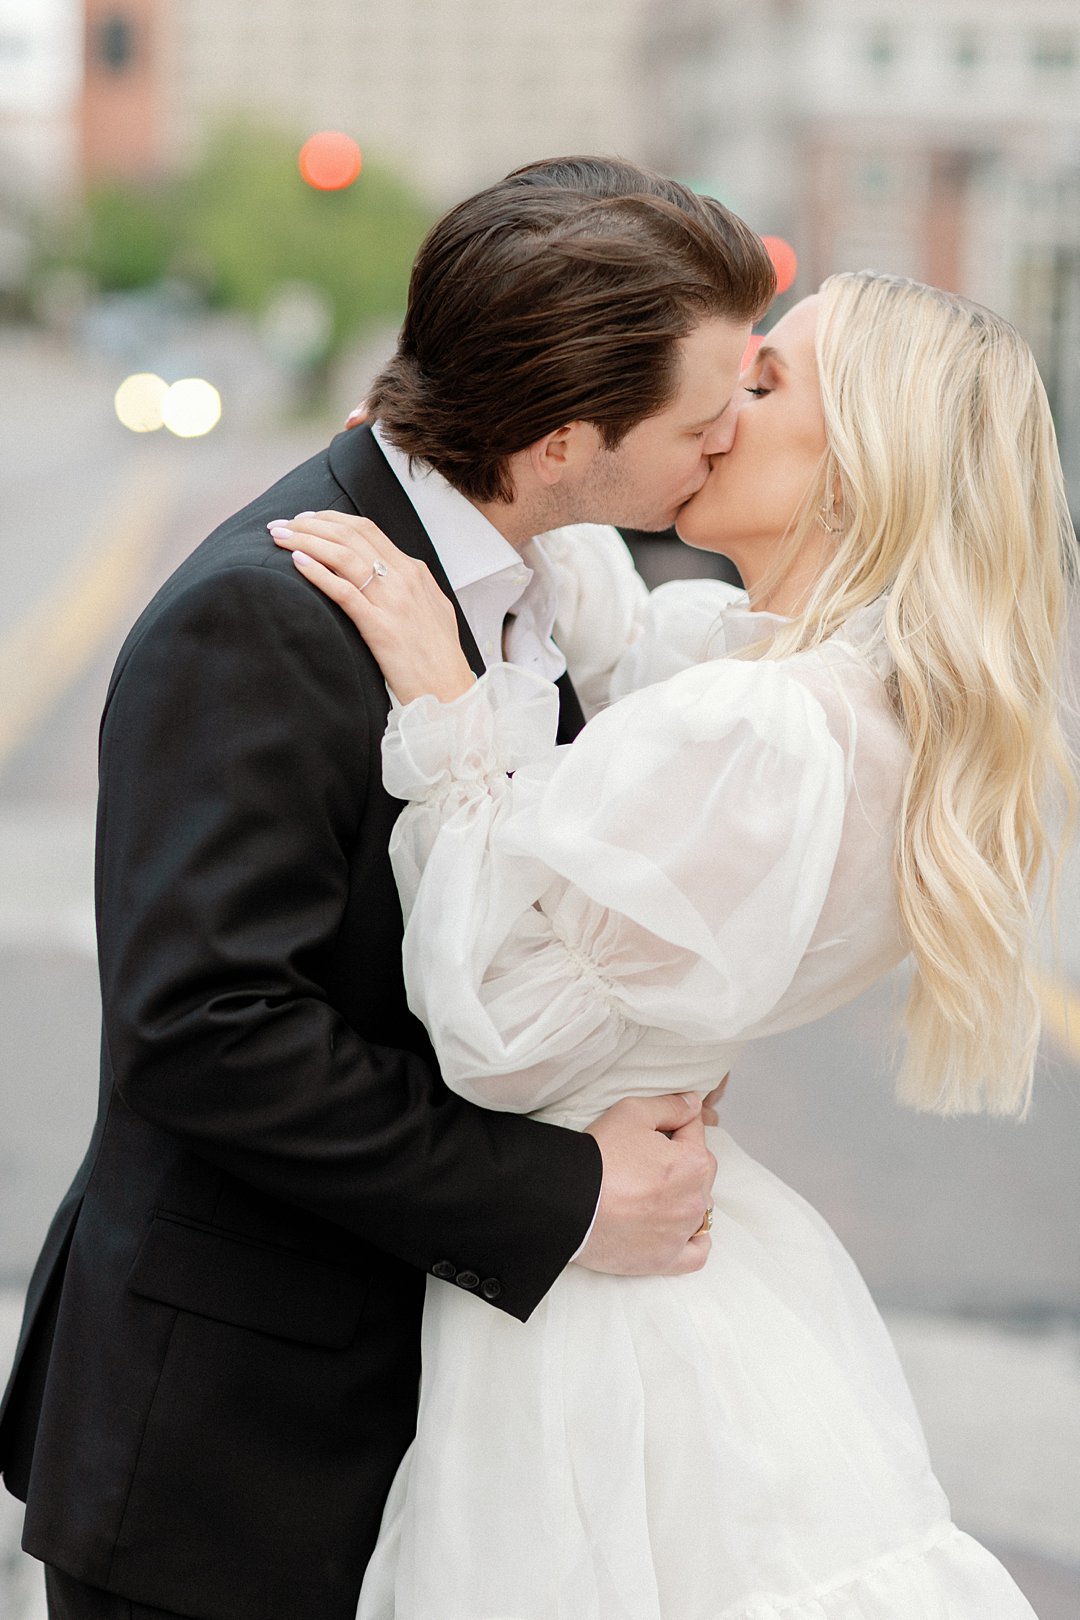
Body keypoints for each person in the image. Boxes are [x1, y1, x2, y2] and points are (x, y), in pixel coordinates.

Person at [0, 157, 777, 1620]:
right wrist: (568, 1194)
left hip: (439, 1435)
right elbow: (206, 1031)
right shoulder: (266, 612)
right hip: (240, 1456)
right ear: (558, 441)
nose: (731, 439)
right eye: (704, 415)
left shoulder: (550, 573)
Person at [269, 270, 1076, 1618]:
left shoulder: (763, 732)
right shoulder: (823, 693)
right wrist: (498, 455)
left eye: (762, 387)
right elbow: (626, 648)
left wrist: (449, 706)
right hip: (681, 1280)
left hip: (606, 1320)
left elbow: (497, 1028)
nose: (713, 405)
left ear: (858, 470)